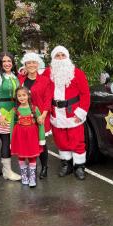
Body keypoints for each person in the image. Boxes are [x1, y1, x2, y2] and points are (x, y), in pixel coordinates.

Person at [46, 45, 90, 180]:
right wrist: (23, 70)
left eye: (62, 55)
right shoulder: (48, 73)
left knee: (77, 140)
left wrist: (81, 112)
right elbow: (33, 77)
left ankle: (79, 166)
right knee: (61, 140)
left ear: (67, 57)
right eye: (57, 56)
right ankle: (66, 164)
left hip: (73, 114)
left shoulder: (77, 73)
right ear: (53, 59)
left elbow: (85, 94)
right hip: (56, 114)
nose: (60, 58)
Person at [0, 52, 21, 181]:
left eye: (9, 61)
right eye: (4, 61)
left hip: (12, 111)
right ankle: (7, 171)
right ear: (0, 63)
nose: (7, 63)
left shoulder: (13, 75)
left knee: (9, 140)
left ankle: (6, 169)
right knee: (5, 141)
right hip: (1, 111)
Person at [17, 52, 51, 179]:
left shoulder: (45, 80)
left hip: (41, 116)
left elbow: (48, 99)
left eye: (34, 62)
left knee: (42, 143)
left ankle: (44, 167)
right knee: (29, 142)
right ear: (25, 65)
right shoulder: (20, 79)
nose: (31, 65)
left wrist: (43, 115)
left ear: (38, 64)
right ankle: (32, 167)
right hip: (25, 116)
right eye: (28, 63)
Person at [11, 86, 45, 187]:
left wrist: (42, 138)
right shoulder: (15, 110)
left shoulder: (34, 109)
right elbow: (11, 127)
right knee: (21, 156)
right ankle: (24, 176)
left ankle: (32, 177)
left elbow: (41, 124)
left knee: (32, 156)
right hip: (20, 137)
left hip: (32, 137)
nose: (21, 98)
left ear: (28, 96)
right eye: (19, 96)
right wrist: (11, 141)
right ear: (16, 97)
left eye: (24, 95)